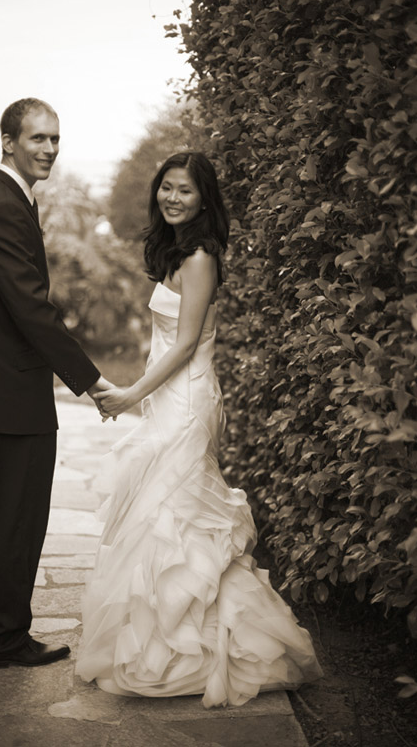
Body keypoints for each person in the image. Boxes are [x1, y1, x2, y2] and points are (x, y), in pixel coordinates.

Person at [75, 151, 322, 708]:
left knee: (178, 516)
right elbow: (166, 342)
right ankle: (163, 641)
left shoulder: (202, 256)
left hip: (185, 401)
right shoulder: (174, 252)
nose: (172, 198)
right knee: (159, 519)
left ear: (204, 198)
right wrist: (144, 392)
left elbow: (186, 345)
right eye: (166, 188)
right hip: (167, 396)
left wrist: (131, 395)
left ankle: (204, 647)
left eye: (184, 190)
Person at [0, 98, 110, 669]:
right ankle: (5, 639)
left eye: (55, 139)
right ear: (8, 140)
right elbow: (31, 309)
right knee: (14, 520)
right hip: (10, 396)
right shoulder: (6, 205)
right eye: (38, 138)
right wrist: (91, 381)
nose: (50, 150)